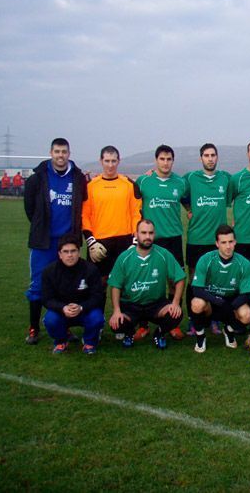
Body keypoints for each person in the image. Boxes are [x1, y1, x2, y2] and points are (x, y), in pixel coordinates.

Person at [24, 138, 87, 345]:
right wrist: (41, 227)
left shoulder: (78, 178)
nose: (61, 156)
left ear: (69, 153)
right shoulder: (38, 178)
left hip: (68, 243)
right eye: (57, 152)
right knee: (38, 285)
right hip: (44, 242)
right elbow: (30, 209)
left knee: (67, 285)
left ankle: (64, 328)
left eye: (64, 152)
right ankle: (34, 327)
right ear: (51, 153)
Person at [135, 145, 188, 340]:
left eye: (169, 159)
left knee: (174, 281)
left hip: (173, 237)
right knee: (146, 281)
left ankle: (172, 322)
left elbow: (187, 200)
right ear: (156, 160)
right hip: (150, 239)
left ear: (173, 161)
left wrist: (189, 210)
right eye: (162, 159)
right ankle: (142, 325)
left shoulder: (180, 183)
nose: (165, 163)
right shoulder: (143, 181)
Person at [107, 219, 186, 350]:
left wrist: (176, 303)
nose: (147, 237)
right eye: (143, 233)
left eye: (151, 233)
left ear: (154, 234)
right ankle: (129, 333)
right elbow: (115, 285)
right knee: (117, 324)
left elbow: (180, 278)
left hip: (156, 305)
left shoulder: (163, 254)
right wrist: (116, 310)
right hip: (131, 305)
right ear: (136, 234)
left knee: (176, 314)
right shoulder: (125, 257)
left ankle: (159, 334)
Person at [183, 143, 231, 331]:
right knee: (194, 279)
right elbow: (179, 194)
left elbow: (232, 198)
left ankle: (214, 318)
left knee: (216, 281)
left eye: (213, 155)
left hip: (218, 241)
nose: (210, 158)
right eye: (206, 155)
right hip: (196, 238)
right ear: (200, 158)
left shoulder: (225, 179)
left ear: (217, 157)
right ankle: (193, 319)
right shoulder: (190, 178)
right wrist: (188, 209)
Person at [82, 145, 142, 285]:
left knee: (126, 284)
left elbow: (136, 214)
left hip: (124, 241)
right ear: (101, 161)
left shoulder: (128, 184)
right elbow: (85, 215)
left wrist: (135, 241)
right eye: (107, 161)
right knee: (98, 284)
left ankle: (122, 308)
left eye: (113, 161)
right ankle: (97, 308)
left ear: (118, 161)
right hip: (100, 242)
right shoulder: (90, 186)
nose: (110, 165)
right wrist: (91, 242)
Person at [190, 225, 250, 353]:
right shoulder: (206, 259)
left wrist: (231, 306)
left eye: (230, 242)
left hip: (231, 302)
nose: (228, 246)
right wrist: (219, 301)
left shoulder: (244, 263)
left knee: (246, 315)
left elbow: (247, 294)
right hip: (211, 302)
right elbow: (196, 289)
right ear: (217, 243)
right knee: (196, 303)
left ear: (235, 242)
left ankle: (229, 331)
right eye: (223, 242)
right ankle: (200, 337)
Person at [41, 234, 105, 354]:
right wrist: (62, 307)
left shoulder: (91, 269)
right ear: (60, 254)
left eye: (73, 251)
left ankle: (89, 342)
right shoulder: (49, 271)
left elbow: (97, 296)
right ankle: (61, 341)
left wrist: (81, 307)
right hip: (62, 312)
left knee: (97, 318)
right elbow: (46, 299)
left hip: (84, 310)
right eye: (65, 252)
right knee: (50, 319)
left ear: (79, 252)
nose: (70, 255)